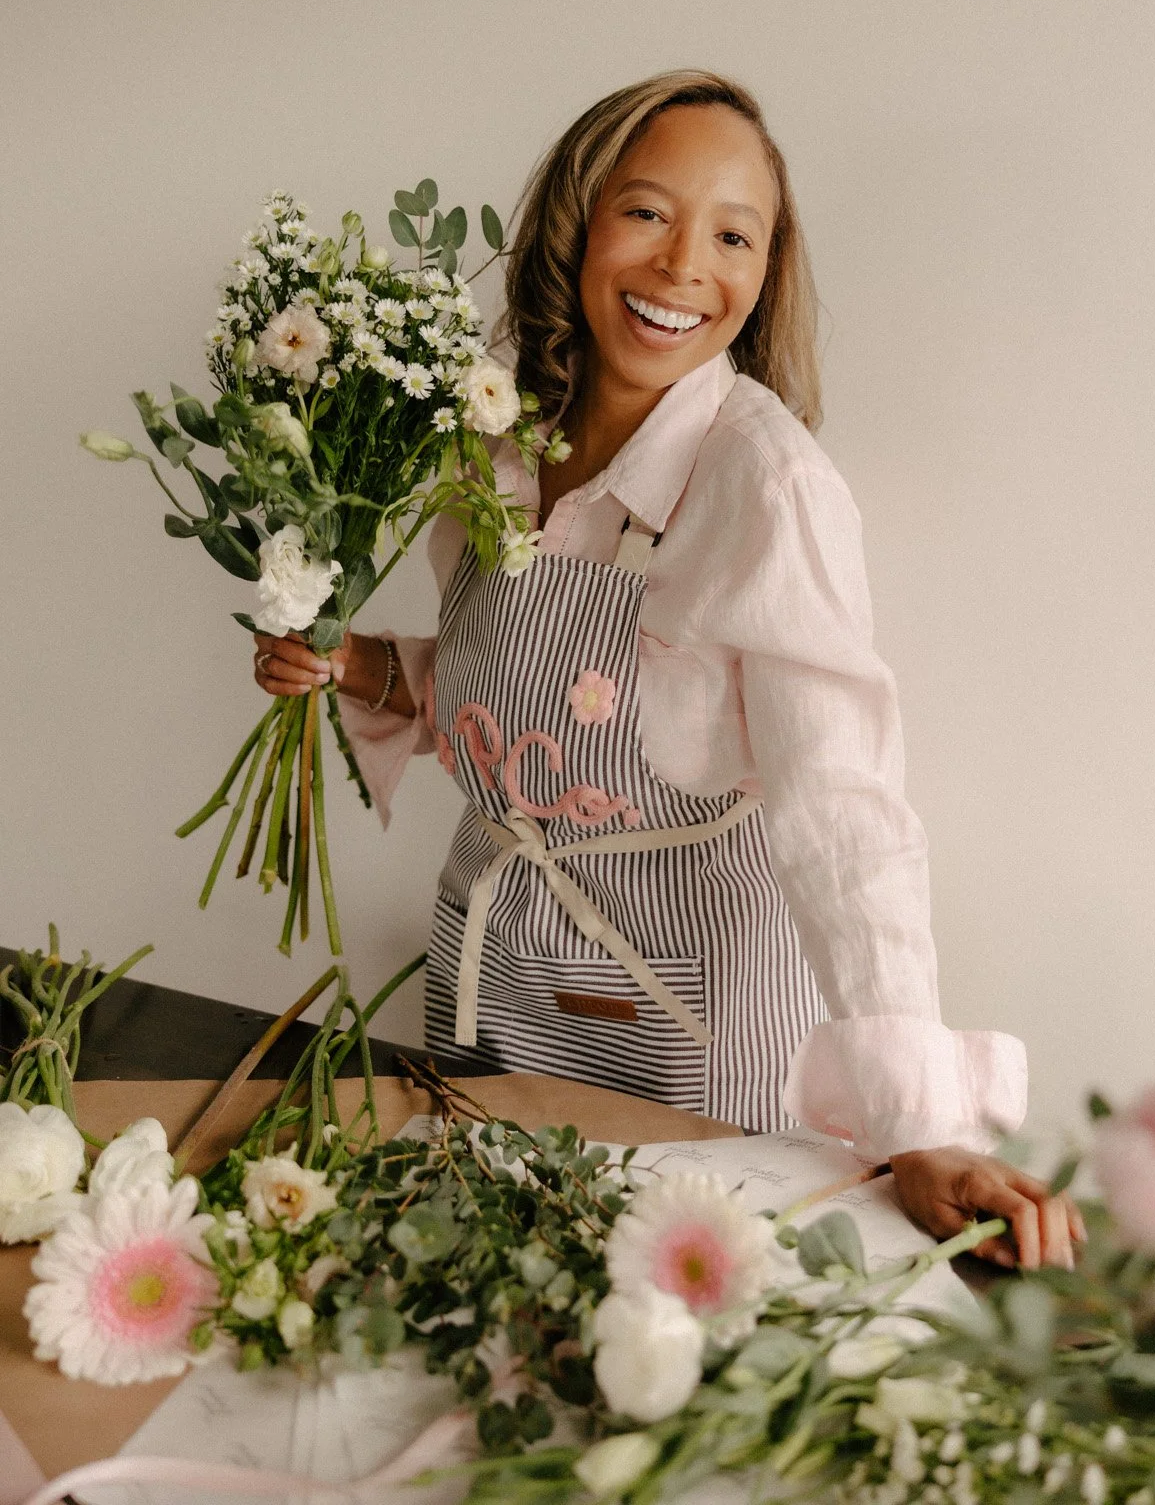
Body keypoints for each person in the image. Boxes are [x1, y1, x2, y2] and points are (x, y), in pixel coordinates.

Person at [253, 72, 1081, 1270]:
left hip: (692, 1017)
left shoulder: (769, 484)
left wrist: (923, 1126)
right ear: (576, 224)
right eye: (647, 211)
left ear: (766, 269)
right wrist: (358, 664)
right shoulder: (494, 435)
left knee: (667, 1324)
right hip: (493, 973)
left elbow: (840, 809)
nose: (687, 263)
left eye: (733, 233)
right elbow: (514, 702)